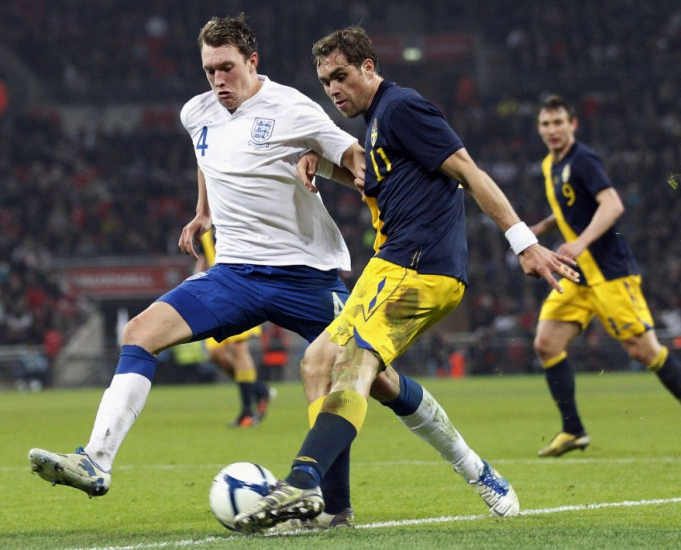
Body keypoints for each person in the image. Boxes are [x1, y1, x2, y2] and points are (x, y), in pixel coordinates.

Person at [27, 15, 529, 528]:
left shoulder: (292, 107)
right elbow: (208, 154)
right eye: (208, 70)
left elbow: (358, 159)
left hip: (307, 275)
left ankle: (433, 480)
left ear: (251, 62)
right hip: (237, 274)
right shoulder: (196, 113)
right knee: (140, 332)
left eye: (226, 67)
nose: (217, 80)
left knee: (367, 380)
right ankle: (96, 459)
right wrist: (203, 212)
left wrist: (320, 154)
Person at [234, 26, 580, 533]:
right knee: (317, 364)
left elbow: (469, 171)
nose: (333, 89)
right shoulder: (376, 126)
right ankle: (348, 505)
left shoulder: (403, 109)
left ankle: (304, 483)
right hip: (388, 265)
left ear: (369, 67)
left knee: (353, 361)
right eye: (326, 81)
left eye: (342, 76)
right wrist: (319, 162)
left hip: (423, 267)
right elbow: (369, 177)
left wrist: (522, 242)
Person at [529, 95, 681, 457]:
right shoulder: (550, 164)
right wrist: (542, 227)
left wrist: (579, 242)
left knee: (645, 351)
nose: (552, 130)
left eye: (558, 123)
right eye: (545, 124)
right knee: (546, 343)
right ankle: (573, 430)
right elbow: (569, 209)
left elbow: (612, 204)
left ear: (573, 124)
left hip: (610, 273)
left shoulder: (583, 160)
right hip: (578, 276)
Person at [195, 230, 271, 427]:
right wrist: (195, 286)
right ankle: (258, 389)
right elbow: (203, 261)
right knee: (214, 353)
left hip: (241, 294)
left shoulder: (238, 223)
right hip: (217, 298)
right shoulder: (206, 233)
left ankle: (247, 412)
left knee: (238, 349)